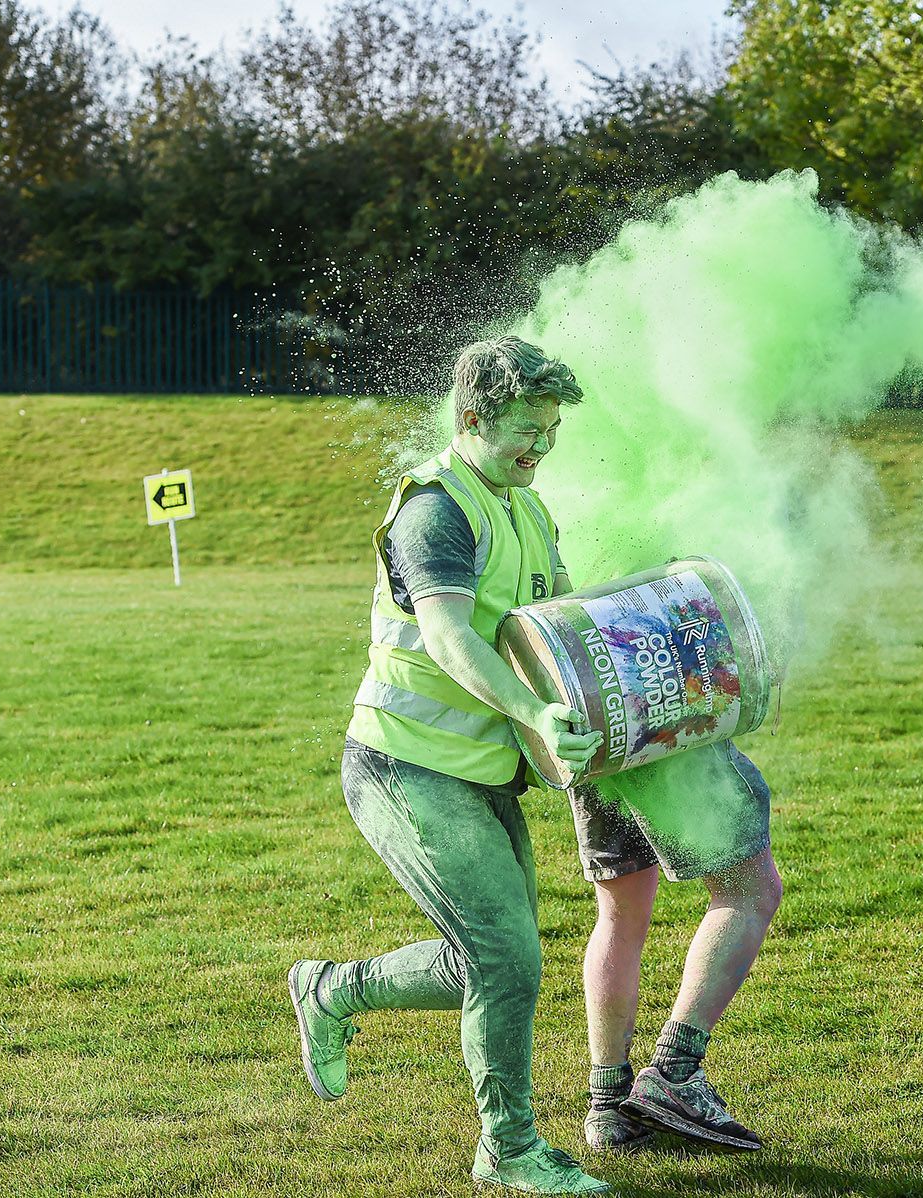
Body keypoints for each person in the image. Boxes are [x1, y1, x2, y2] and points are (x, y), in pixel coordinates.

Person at [288, 336, 611, 1195]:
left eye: (551, 432)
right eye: (527, 432)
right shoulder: (435, 507)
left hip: (481, 772)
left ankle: (333, 991)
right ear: (472, 416)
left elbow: (549, 627)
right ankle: (509, 1151)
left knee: (492, 960)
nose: (542, 449)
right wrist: (534, 712)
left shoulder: (528, 506)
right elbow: (448, 634)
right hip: (404, 766)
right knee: (508, 959)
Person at [569, 741, 783, 1154]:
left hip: (596, 736)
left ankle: (609, 1102)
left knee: (619, 916)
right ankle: (675, 1071)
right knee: (751, 891)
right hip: (667, 727)